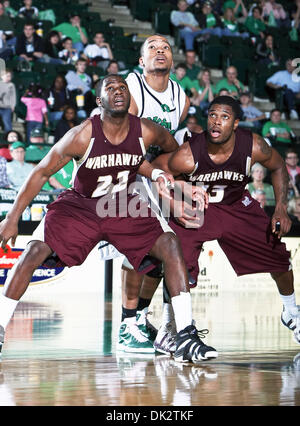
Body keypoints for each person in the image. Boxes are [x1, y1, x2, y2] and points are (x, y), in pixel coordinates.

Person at [0, 74, 217, 363]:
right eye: (110, 88)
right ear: (99, 101)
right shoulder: (82, 134)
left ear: (129, 98)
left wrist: (164, 176)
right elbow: (41, 172)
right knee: (33, 251)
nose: (118, 91)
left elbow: (166, 153)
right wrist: (12, 217)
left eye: (122, 87)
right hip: (81, 206)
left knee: (170, 243)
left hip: (123, 204)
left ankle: (185, 334)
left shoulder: (147, 131)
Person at [146, 95, 300, 348]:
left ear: (236, 123)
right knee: (177, 262)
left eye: (225, 117)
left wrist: (281, 207)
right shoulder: (188, 153)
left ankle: (291, 312)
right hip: (198, 207)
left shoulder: (254, 145)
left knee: (278, 256)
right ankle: (169, 328)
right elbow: (155, 171)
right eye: (213, 115)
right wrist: (174, 202)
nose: (217, 122)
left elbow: (279, 166)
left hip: (236, 205)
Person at [115, 34, 190, 354]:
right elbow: (122, 139)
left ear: (173, 61)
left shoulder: (180, 95)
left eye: (166, 49)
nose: (160, 51)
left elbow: (173, 143)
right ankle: (126, 324)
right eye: (153, 49)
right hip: (121, 172)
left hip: (154, 174)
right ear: (141, 61)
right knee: (138, 249)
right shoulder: (131, 86)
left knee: (162, 254)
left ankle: (141, 318)